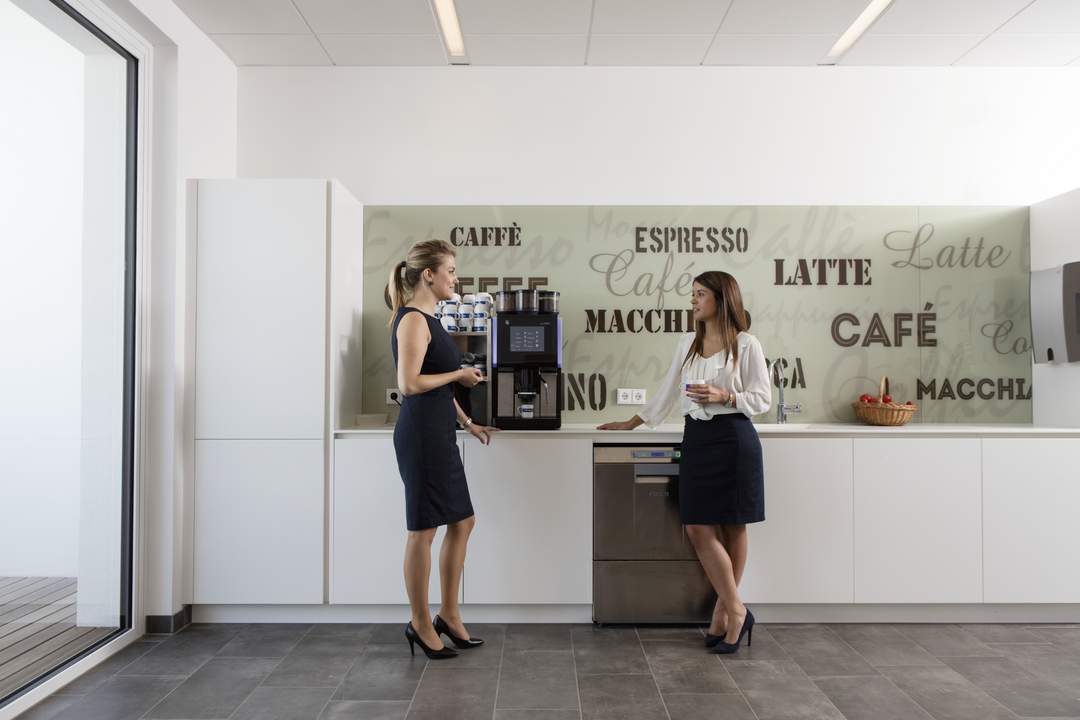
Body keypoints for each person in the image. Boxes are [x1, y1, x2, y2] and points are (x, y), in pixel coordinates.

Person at [598, 271, 771, 653]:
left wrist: (725, 395)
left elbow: (762, 399)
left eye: (700, 294)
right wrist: (630, 422)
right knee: (697, 527)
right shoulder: (687, 345)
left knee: (734, 528)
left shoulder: (747, 344)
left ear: (722, 299)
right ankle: (737, 608)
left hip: (734, 439)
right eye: (692, 294)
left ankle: (724, 615)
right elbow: (666, 394)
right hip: (698, 439)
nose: (693, 301)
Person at [388, 239, 498, 659]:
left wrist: (468, 423)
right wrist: (458, 373)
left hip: (440, 434)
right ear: (428, 274)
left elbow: (438, 382)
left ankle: (448, 615)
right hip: (420, 437)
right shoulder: (414, 320)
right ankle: (419, 622)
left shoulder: (430, 320)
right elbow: (409, 384)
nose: (456, 277)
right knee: (423, 530)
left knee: (463, 522)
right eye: (450, 270)